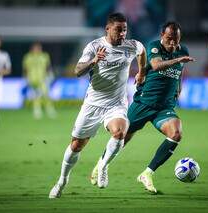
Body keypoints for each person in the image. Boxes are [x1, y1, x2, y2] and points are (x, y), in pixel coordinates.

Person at [49, 12, 146, 199]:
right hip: (93, 103)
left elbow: (142, 52)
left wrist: (141, 72)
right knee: (77, 145)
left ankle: (103, 165)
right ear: (108, 29)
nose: (122, 34)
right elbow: (77, 71)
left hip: (116, 103)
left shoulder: (131, 46)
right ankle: (62, 181)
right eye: (119, 30)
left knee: (120, 132)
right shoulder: (94, 46)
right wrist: (94, 61)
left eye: (124, 30)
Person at [90, 22, 195, 193]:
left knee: (176, 133)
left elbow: (180, 70)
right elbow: (156, 65)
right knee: (121, 137)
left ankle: (147, 173)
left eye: (176, 40)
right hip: (143, 103)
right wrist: (177, 60)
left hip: (164, 107)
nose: (172, 44)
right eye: (169, 39)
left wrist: (179, 87)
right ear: (162, 35)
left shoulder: (183, 51)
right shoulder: (154, 46)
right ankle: (101, 165)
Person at [22, 42, 56, 119]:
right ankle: (37, 110)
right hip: (32, 79)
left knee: (45, 94)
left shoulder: (44, 56)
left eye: (39, 48)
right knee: (35, 95)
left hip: (42, 79)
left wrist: (50, 75)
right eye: (36, 48)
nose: (37, 50)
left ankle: (49, 109)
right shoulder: (28, 57)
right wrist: (25, 78)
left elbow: (48, 67)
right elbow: (25, 69)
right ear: (32, 49)